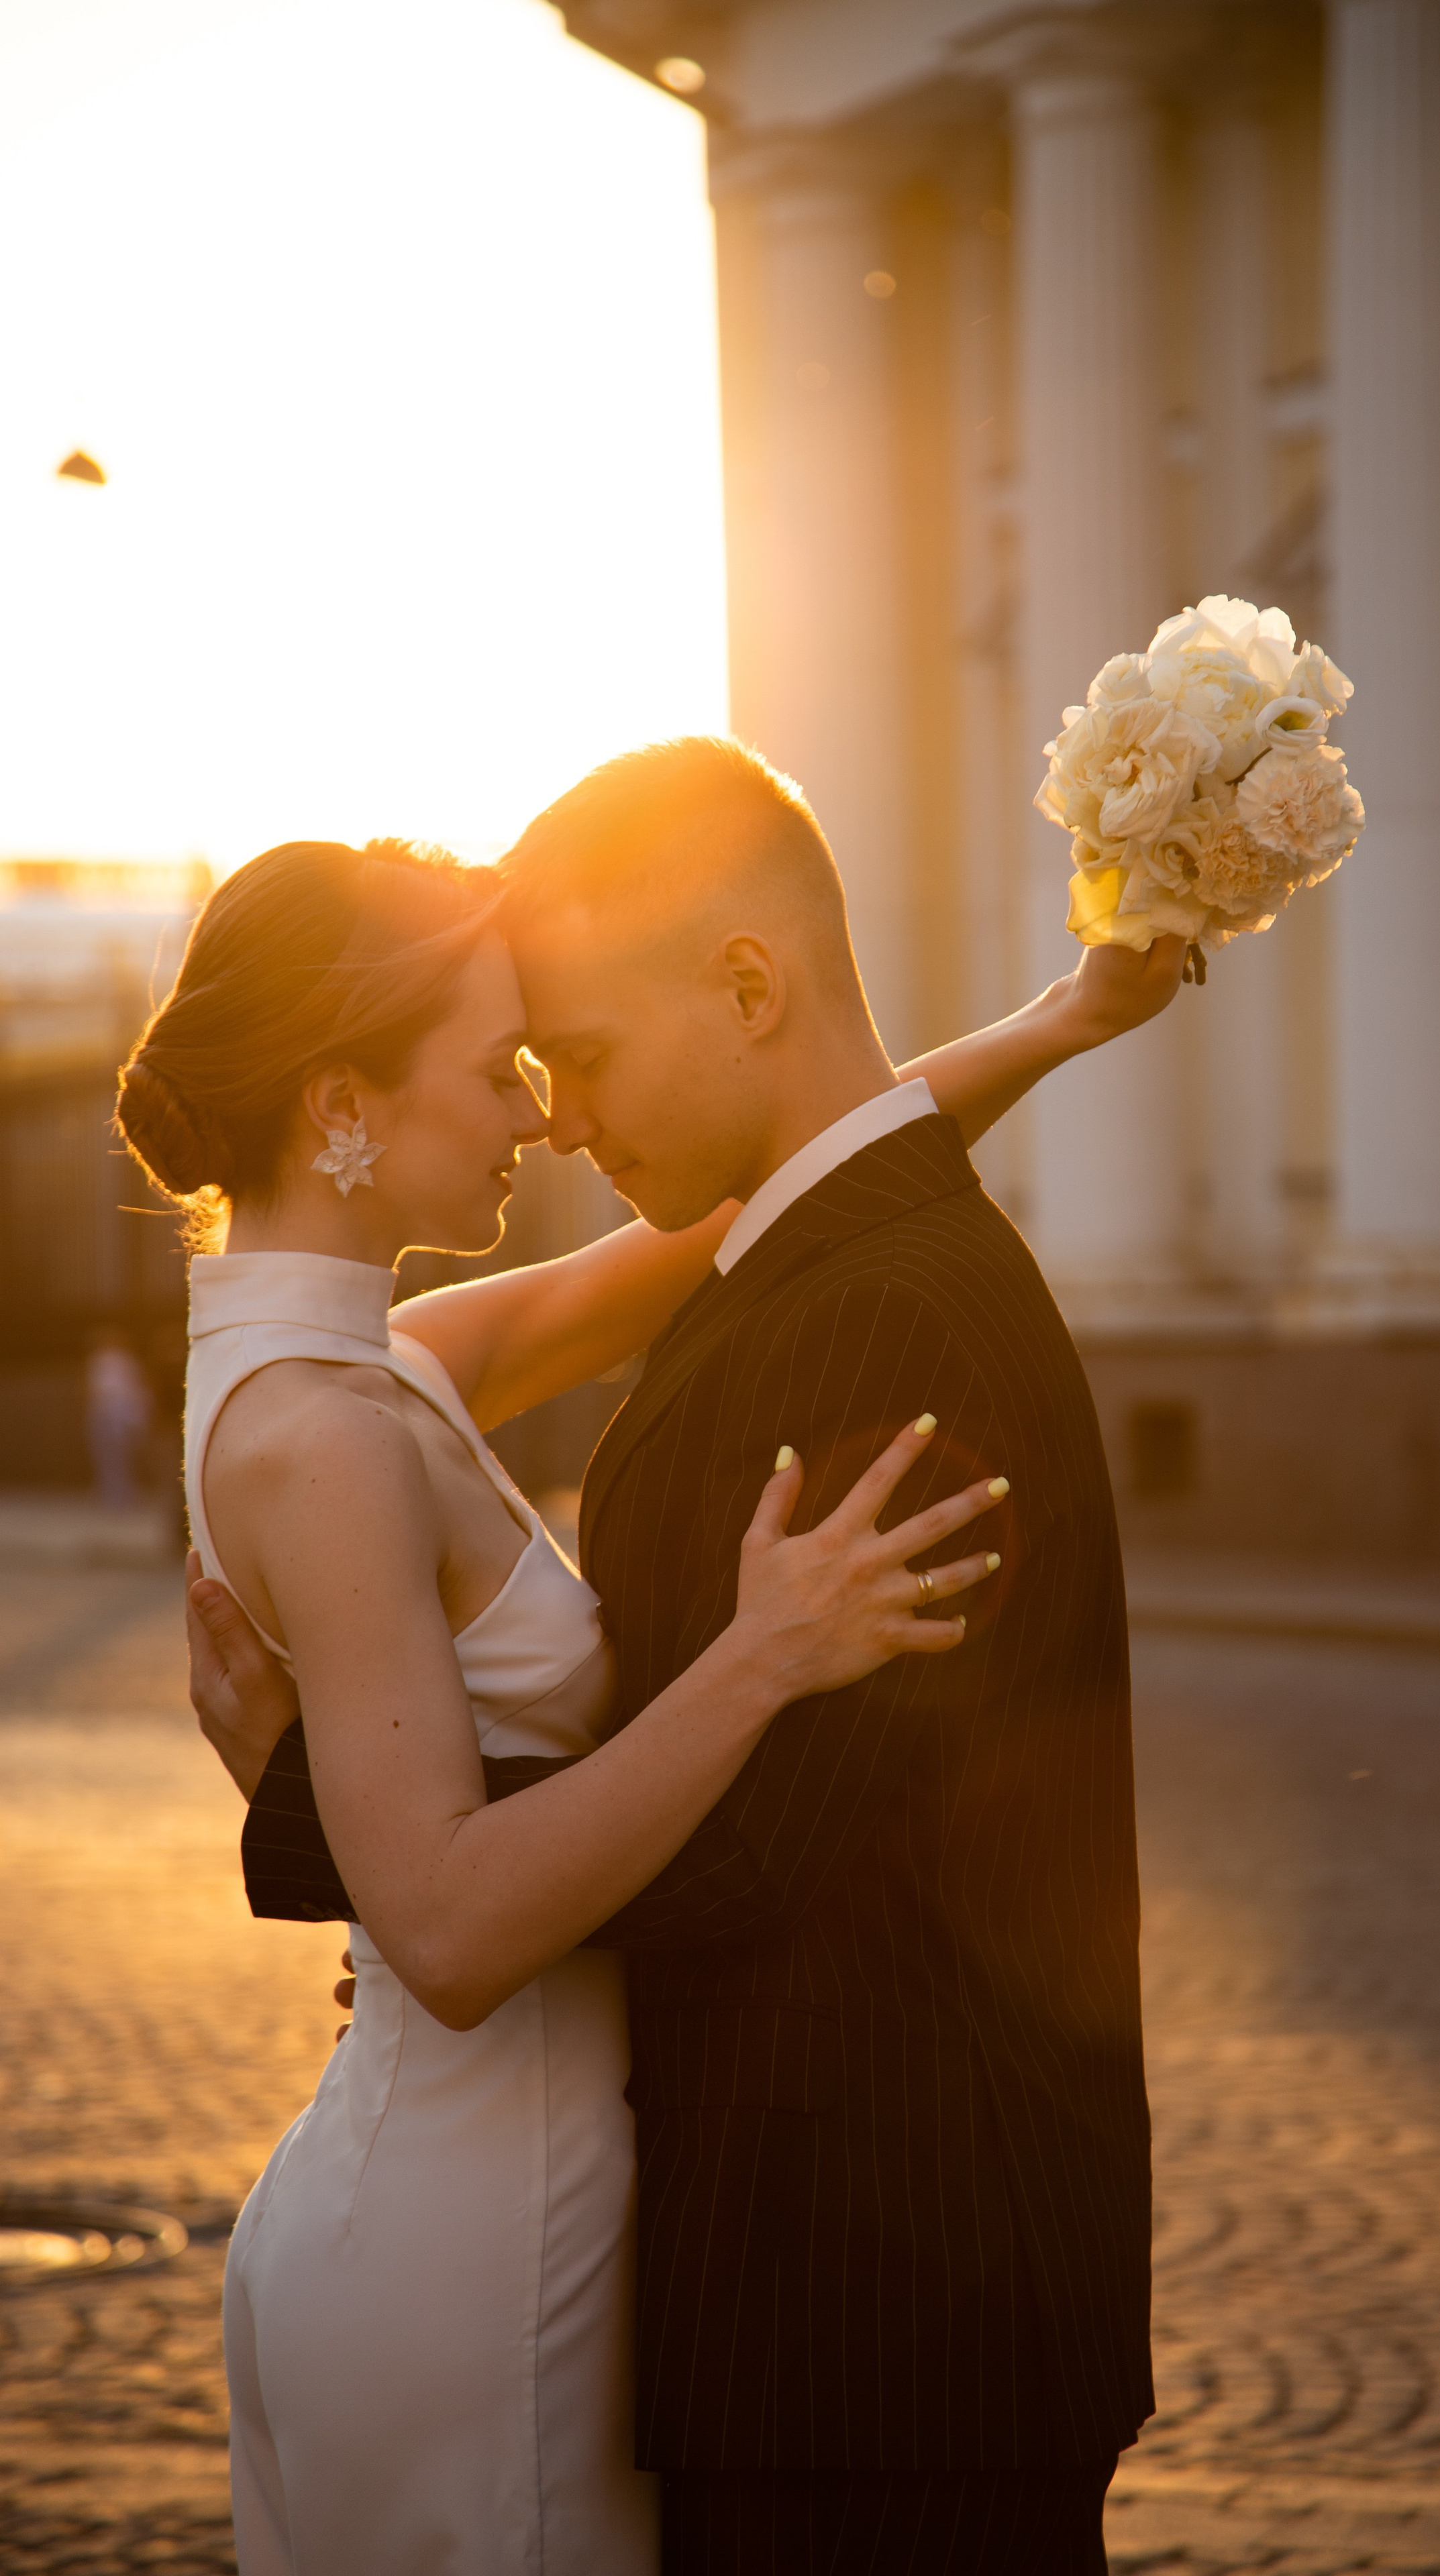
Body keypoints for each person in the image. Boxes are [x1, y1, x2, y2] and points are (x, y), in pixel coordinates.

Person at [156, 767, 1184, 2575]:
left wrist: (1056, 1021)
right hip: (485, 2232)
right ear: (342, 1105)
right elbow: (454, 1916)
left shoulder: (370, 1364)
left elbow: (759, 1197)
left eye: (563, 1057)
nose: (541, 1117)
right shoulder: (331, 1427)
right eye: (505, 1064)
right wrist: (759, 1655)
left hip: (765, 2258)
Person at [85, 1327, 154, 1511]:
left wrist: (139, 1416)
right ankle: (112, 1494)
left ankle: (124, 1494)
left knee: (123, 1456)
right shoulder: (99, 1361)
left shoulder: (128, 1363)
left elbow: (138, 1391)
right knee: (108, 1455)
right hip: (105, 1413)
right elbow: (93, 1391)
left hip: (122, 1414)